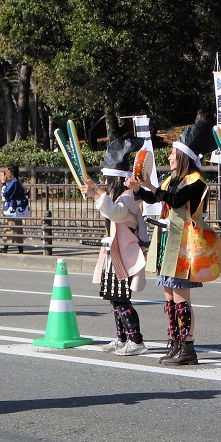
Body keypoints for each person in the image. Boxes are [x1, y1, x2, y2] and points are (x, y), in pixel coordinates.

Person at [128, 121, 218, 366]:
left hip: (185, 244)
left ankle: (187, 345)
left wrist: (150, 187)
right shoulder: (172, 179)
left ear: (183, 156)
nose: (168, 158)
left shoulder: (196, 180)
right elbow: (158, 198)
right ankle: (175, 341)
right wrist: (139, 190)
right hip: (169, 243)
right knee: (169, 296)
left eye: (172, 154)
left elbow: (176, 201)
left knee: (181, 296)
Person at [81, 137, 149, 356]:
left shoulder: (127, 197)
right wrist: (95, 194)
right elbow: (108, 208)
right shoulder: (116, 196)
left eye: (108, 180)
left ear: (116, 180)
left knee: (121, 298)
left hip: (124, 253)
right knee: (113, 297)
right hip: (114, 252)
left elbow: (116, 213)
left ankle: (136, 340)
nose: (106, 183)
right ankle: (121, 338)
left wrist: (97, 193)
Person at [0, 163, 29, 253]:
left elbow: (5, 195)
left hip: (13, 208)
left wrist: (3, 183)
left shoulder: (14, 182)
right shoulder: (16, 182)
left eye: (7, 171)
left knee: (10, 227)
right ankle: (18, 248)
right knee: (16, 228)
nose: (5, 174)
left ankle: (6, 248)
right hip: (17, 208)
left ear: (11, 172)